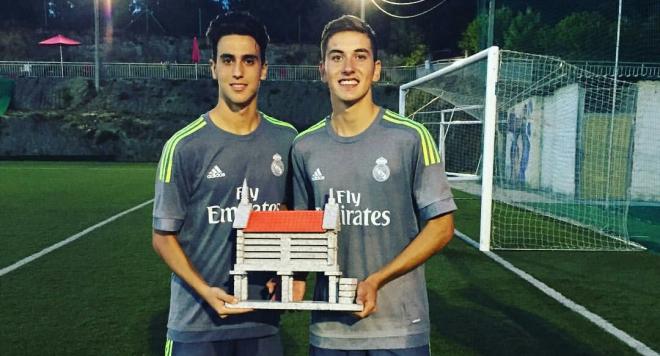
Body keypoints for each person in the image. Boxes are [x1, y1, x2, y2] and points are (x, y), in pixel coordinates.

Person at [291, 15, 456, 355]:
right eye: (337, 57)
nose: (348, 67)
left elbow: (441, 227)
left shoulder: (410, 137)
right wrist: (290, 281)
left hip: (400, 329)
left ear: (376, 69)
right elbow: (302, 234)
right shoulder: (304, 147)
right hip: (330, 330)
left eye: (360, 56)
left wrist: (377, 279)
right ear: (322, 70)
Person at [151, 11, 297, 356]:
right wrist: (205, 290)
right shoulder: (183, 146)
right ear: (213, 67)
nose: (237, 72)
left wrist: (287, 268)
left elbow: (290, 215)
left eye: (249, 60)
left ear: (263, 68)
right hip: (196, 323)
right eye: (227, 60)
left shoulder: (287, 140)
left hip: (262, 318)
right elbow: (163, 238)